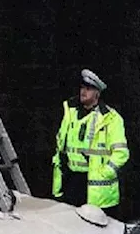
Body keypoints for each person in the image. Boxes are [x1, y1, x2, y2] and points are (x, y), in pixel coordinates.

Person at [51, 69, 130, 221]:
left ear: (97, 93)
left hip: (96, 188)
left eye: (88, 89)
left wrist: (105, 173)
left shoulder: (111, 118)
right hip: (71, 182)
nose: (83, 92)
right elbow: (61, 144)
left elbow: (121, 153)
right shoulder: (70, 112)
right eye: (82, 88)